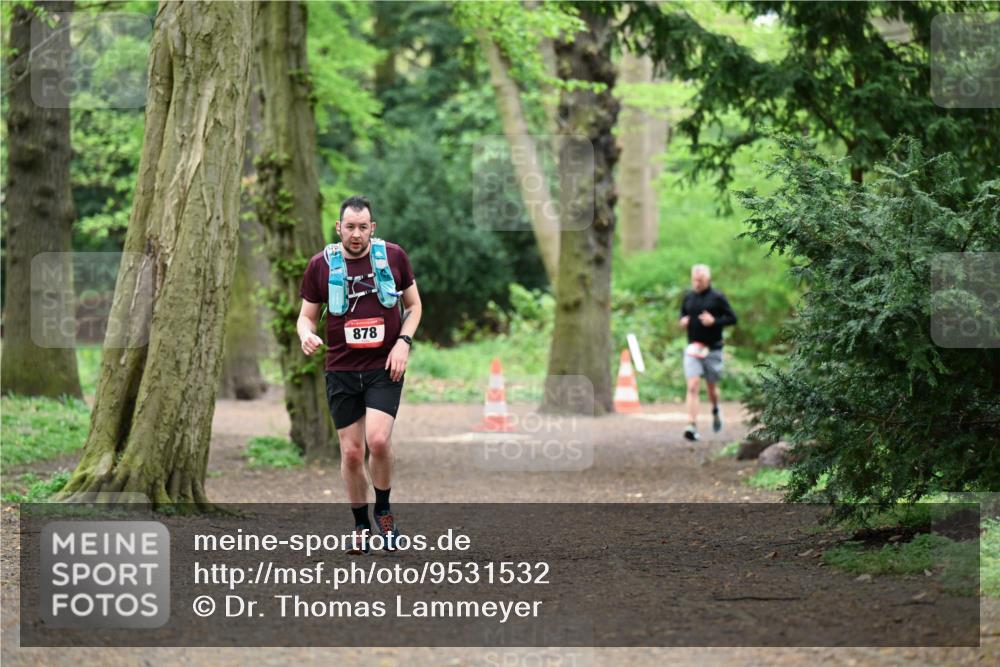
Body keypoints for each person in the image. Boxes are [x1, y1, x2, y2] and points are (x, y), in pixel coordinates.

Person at [297, 195, 422, 554]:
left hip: (384, 366)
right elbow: (306, 316)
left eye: (362, 227)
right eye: (349, 227)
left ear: (372, 228)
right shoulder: (320, 265)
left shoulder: (393, 257)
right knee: (352, 453)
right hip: (341, 369)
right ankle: (360, 525)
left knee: (378, 441)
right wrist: (307, 334)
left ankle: (383, 511)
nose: (356, 234)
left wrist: (403, 343)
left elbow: (414, 307)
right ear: (339, 228)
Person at [678, 264, 737, 442]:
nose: (697, 283)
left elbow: (732, 318)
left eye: (700, 280)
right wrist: (683, 320)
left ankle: (716, 408)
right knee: (693, 385)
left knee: (711, 389)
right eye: (694, 280)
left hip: (713, 349)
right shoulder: (688, 297)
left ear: (708, 279)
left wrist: (714, 321)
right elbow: (682, 313)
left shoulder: (718, 297)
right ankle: (691, 425)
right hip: (693, 349)